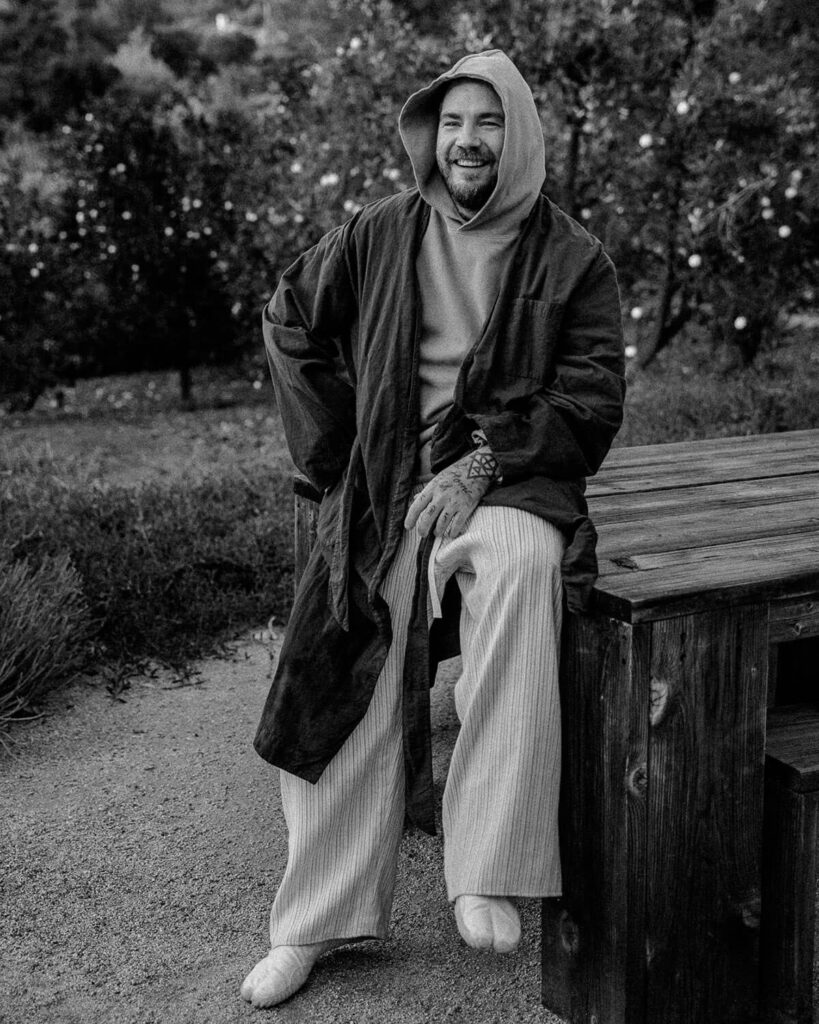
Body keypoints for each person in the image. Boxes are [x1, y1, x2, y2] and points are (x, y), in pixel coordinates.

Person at [241, 49, 625, 1008]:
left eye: (488, 123)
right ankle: (313, 923)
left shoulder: (573, 257)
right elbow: (288, 317)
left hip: (507, 475)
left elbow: (589, 400)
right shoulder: (378, 231)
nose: (466, 142)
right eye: (452, 123)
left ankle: (485, 864)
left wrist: (482, 462)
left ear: (520, 137)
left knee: (523, 568)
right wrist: (339, 460)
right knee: (351, 640)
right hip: (384, 479)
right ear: (428, 135)